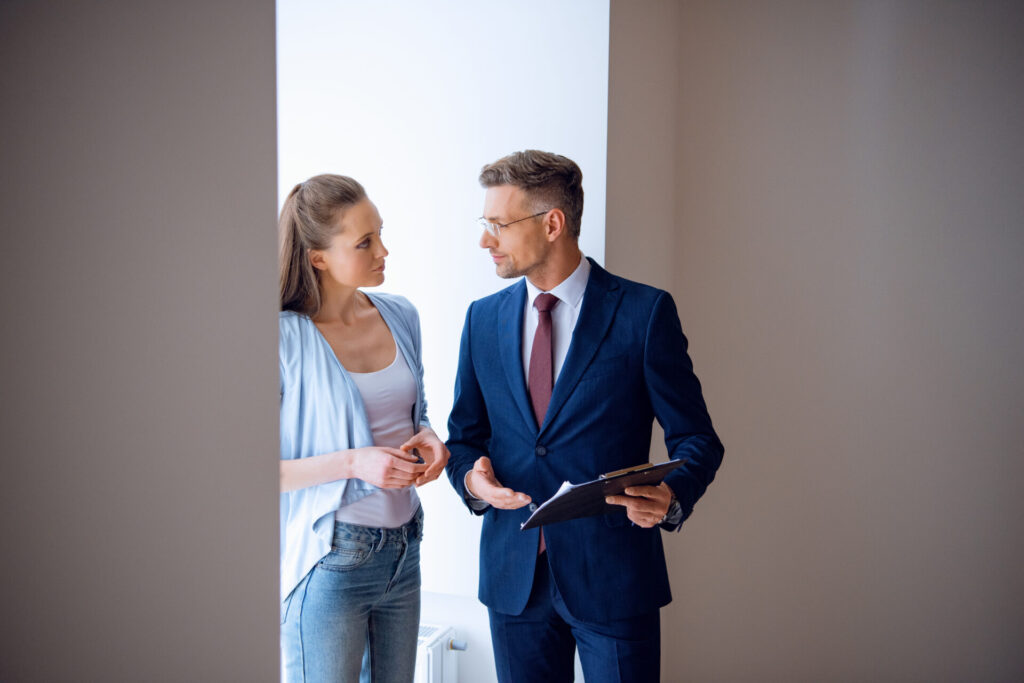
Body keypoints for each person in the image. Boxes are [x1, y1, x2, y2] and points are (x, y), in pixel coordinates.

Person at [445, 150, 723, 683]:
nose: (486, 240)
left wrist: (672, 498)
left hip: (615, 578)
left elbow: (697, 440)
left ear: (553, 223)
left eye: (498, 224)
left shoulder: (643, 313)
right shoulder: (482, 319)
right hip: (513, 581)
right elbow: (464, 439)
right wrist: (474, 483)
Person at [278, 174, 449, 683]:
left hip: (405, 551)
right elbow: (254, 471)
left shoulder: (400, 315)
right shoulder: (281, 338)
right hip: (332, 560)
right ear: (318, 257)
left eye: (380, 233)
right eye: (364, 242)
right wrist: (356, 461)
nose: (383, 250)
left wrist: (431, 439)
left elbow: (413, 414)